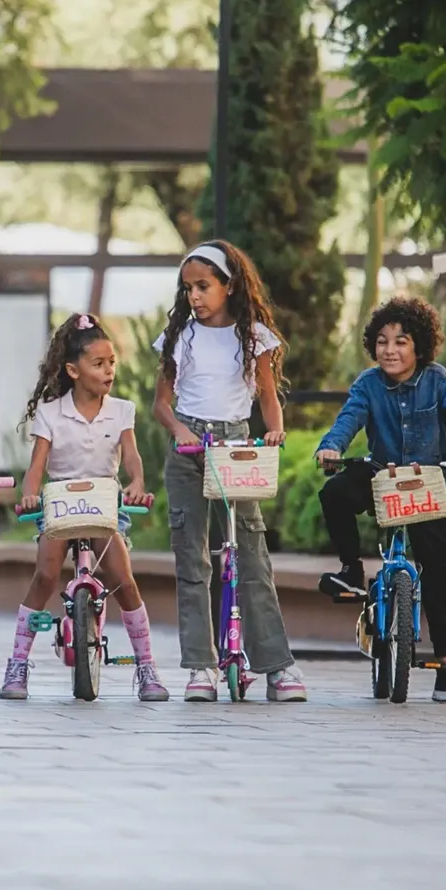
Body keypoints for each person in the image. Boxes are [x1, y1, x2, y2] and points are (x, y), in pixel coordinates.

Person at [153, 241, 308, 703]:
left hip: (236, 447)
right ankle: (201, 667)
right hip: (189, 448)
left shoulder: (253, 335)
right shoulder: (180, 336)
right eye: (188, 288)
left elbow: (267, 396)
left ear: (230, 285)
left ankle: (276, 666)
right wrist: (181, 431)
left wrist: (275, 430)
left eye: (204, 286)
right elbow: (161, 404)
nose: (195, 296)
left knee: (251, 555)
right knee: (193, 560)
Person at [315, 295, 446, 703]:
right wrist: (332, 447)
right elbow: (349, 419)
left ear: (420, 346)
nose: (389, 350)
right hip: (383, 475)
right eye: (382, 341)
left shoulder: (439, 380)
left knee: (438, 576)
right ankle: (351, 570)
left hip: (429, 484)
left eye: (401, 341)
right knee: (334, 492)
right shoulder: (368, 384)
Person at [0, 313, 169, 703]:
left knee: (123, 580)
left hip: (104, 501)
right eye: (98, 363)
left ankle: (147, 667)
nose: (109, 370)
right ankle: (18, 663)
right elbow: (37, 466)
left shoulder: (121, 410)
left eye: (112, 362)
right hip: (61, 501)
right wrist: (30, 494)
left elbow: (131, 456)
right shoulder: (51, 412)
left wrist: (136, 483)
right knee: (45, 574)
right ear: (73, 371)